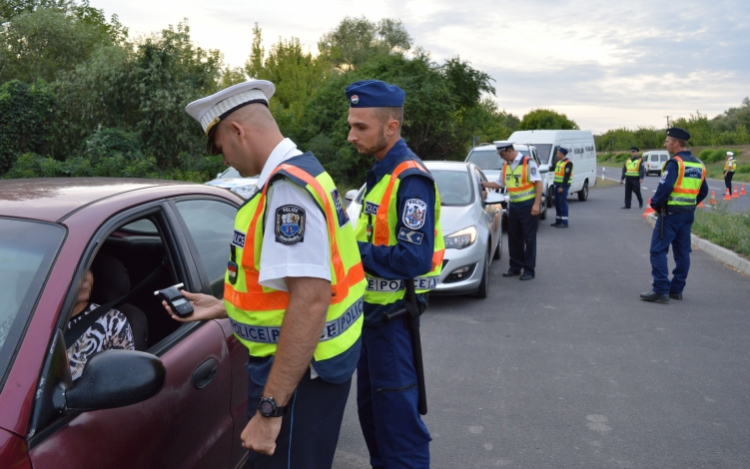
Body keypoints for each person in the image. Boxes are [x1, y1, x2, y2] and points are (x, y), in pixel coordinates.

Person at [173, 80, 366, 468]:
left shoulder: (287, 192)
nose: (224, 160)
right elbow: (284, 292)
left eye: (221, 147)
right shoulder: (308, 174)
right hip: (316, 369)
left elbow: (310, 302)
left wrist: (270, 411)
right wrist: (224, 306)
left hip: (297, 377)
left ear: (238, 131)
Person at [346, 79, 444, 469]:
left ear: (391, 127)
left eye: (360, 127)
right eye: (351, 124)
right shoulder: (380, 174)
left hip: (393, 324)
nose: (351, 135)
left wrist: (348, 250)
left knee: (400, 433)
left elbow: (412, 258)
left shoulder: (409, 178)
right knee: (375, 424)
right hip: (370, 320)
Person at [640, 127, 708, 303]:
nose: (665, 144)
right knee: (682, 253)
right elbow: (704, 190)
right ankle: (676, 290)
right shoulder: (698, 164)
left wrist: (655, 205)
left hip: (670, 215)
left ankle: (661, 290)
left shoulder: (675, 163)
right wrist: (690, 202)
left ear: (676, 143)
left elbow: (664, 188)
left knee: (657, 250)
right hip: (687, 215)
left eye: (668, 141)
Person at [481, 141, 543, 280]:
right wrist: (483, 184)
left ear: (509, 151)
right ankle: (515, 267)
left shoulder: (528, 162)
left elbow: (538, 183)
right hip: (513, 205)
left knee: (529, 238)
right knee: (514, 238)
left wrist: (536, 204)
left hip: (528, 205)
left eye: (503, 154)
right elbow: (499, 183)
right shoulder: (506, 165)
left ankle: (528, 270)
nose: (502, 157)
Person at [66, 270, 134, 381]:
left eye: (87, 269)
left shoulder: (112, 322)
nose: (85, 278)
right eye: (75, 271)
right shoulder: (35, 321)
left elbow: (124, 379)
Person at [551, 147, 573, 228]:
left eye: (558, 153)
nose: (557, 154)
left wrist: (562, 187)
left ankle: (564, 222)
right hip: (557, 185)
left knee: (562, 203)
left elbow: (566, 176)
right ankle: (558, 221)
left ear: (562, 154)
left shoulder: (568, 163)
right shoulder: (559, 162)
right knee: (557, 203)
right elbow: (553, 169)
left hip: (563, 186)